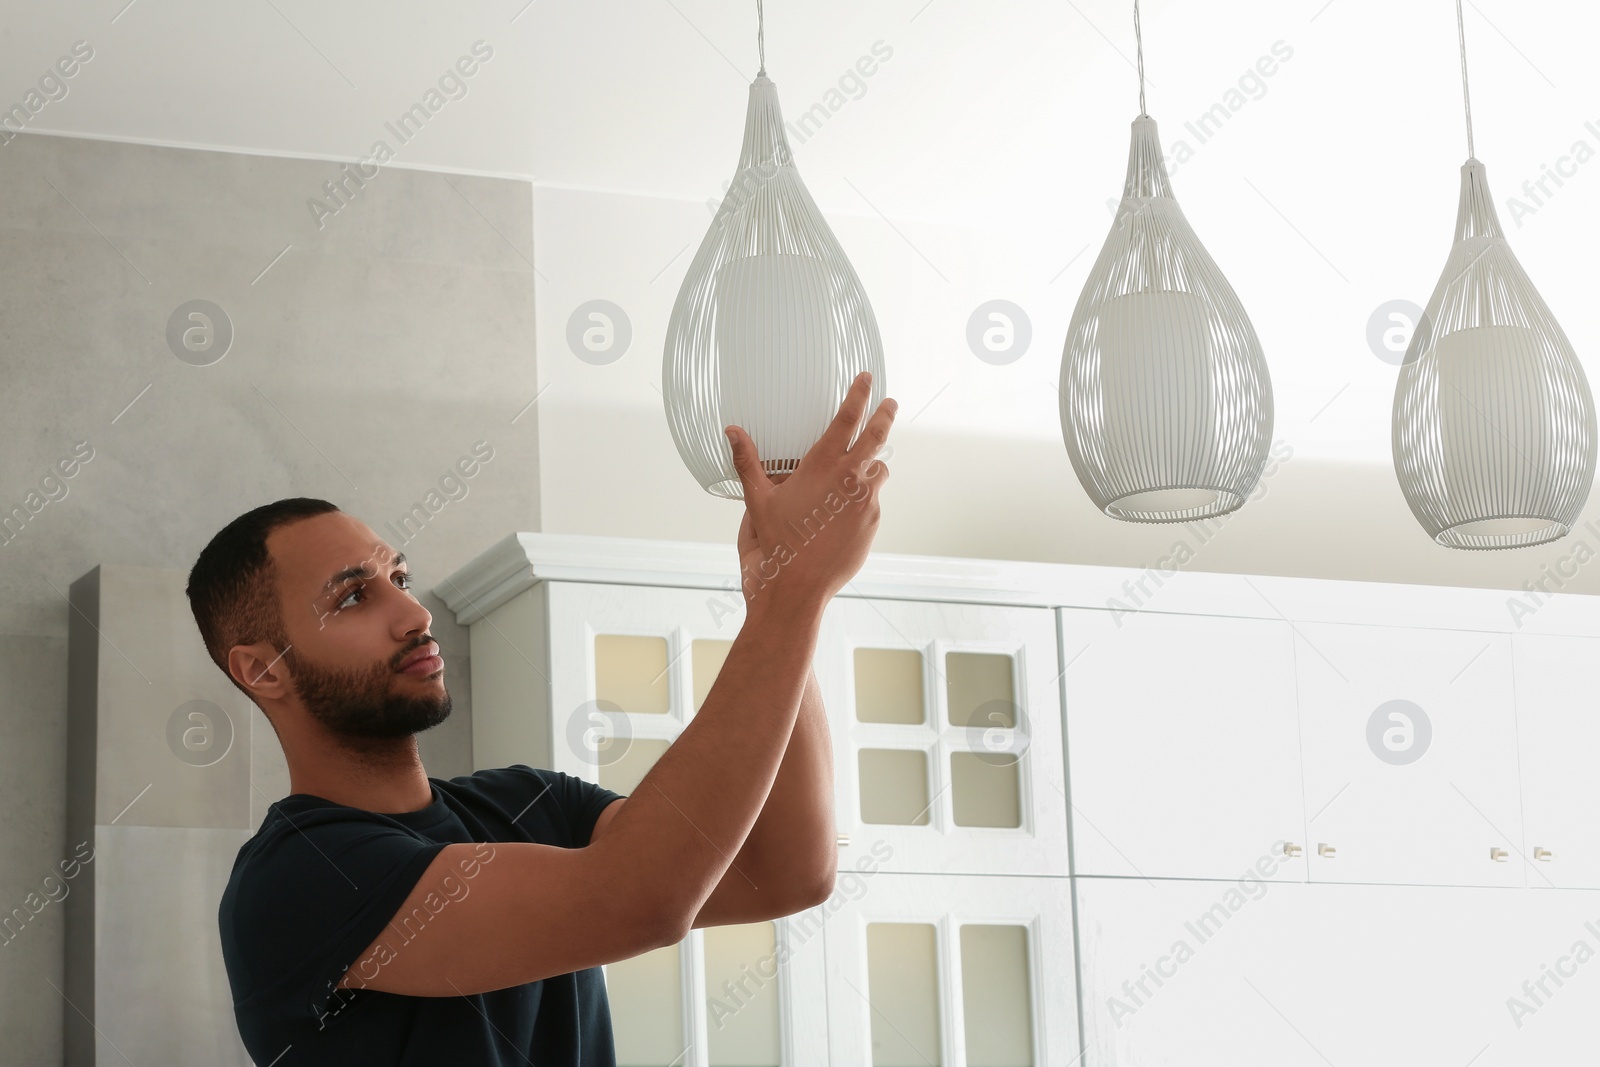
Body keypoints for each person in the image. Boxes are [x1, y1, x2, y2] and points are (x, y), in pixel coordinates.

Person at [189, 372, 896, 1065]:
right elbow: (641, 899)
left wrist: (775, 585)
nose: (413, 612)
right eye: (352, 598)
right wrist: (793, 594)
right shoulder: (296, 879)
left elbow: (787, 872)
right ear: (263, 669)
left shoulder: (528, 803)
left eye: (398, 578)